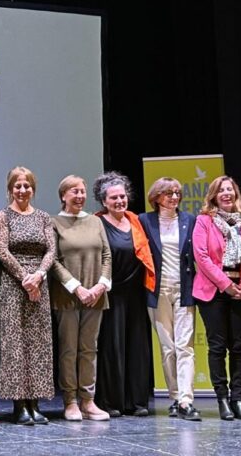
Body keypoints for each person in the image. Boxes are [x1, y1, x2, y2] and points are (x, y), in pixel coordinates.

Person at [192, 175, 241, 421]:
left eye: (230, 189)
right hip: (213, 291)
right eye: (221, 190)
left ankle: (239, 400)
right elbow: (201, 257)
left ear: (236, 194)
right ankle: (222, 399)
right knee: (218, 347)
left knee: (239, 348)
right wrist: (226, 285)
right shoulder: (203, 221)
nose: (226, 194)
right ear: (213, 196)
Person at [0, 166, 55, 425]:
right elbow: (2, 251)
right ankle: (20, 405)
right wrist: (25, 278)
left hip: (39, 285)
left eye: (26, 186)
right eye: (17, 186)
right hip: (12, 284)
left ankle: (35, 403)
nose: (22, 190)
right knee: (15, 344)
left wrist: (38, 276)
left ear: (33, 189)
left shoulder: (43, 217)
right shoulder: (2, 216)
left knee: (39, 343)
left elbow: (51, 250)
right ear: (10, 189)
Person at [93, 172, 155, 418]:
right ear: (104, 201)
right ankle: (112, 402)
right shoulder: (97, 222)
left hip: (136, 293)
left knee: (137, 347)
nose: (120, 201)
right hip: (112, 293)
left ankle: (137, 401)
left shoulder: (136, 221)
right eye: (114, 198)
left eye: (122, 196)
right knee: (112, 347)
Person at [50, 175, 112, 422]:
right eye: (74, 191)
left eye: (83, 191)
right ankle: (71, 401)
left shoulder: (96, 223)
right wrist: (77, 288)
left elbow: (107, 255)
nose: (80, 196)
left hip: (95, 296)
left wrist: (99, 286)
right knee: (68, 350)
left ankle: (88, 400)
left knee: (89, 349)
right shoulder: (54, 222)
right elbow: (52, 260)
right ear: (63, 195)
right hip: (67, 297)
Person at [139, 177, 200, 421]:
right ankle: (174, 396)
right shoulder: (145, 221)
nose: (173, 197)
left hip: (184, 288)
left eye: (176, 193)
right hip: (157, 290)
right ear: (156, 197)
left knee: (185, 346)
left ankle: (186, 400)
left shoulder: (189, 220)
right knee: (168, 348)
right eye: (167, 193)